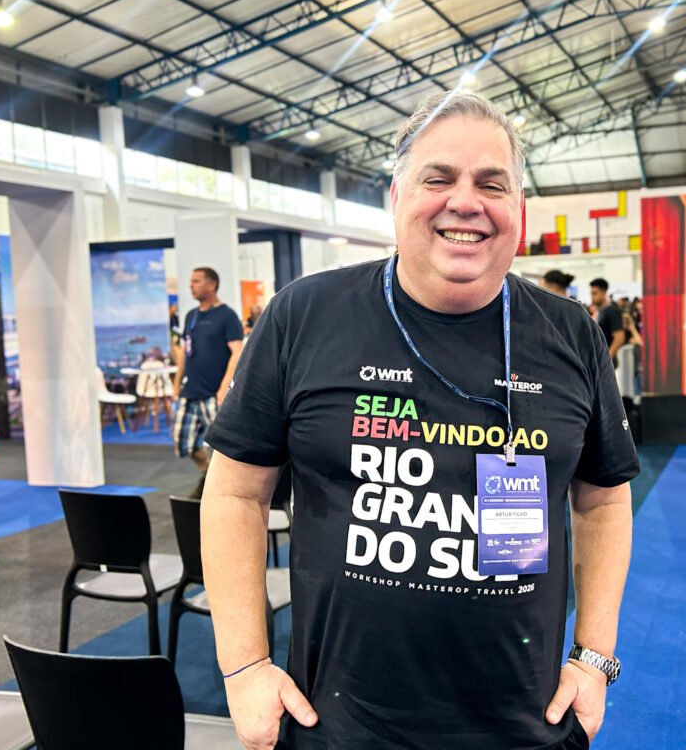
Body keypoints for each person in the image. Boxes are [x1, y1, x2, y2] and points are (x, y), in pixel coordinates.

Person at [200, 92, 638, 750]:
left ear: (518, 207)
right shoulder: (305, 316)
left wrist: (595, 657)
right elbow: (236, 492)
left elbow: (603, 500)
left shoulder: (570, 333)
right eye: (439, 178)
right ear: (398, 194)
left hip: (526, 726)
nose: (466, 201)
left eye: (492, 184)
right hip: (338, 726)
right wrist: (244, 667)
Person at [172, 267, 244, 496]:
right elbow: (185, 352)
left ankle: (225, 489)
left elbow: (237, 352)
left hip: (214, 393)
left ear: (212, 285)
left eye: (196, 281)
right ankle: (207, 474)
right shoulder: (191, 316)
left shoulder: (227, 315)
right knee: (184, 443)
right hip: (190, 391)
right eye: (191, 281)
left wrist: (224, 388)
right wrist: (176, 383)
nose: (190, 285)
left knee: (223, 447)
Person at [590, 278, 626, 366]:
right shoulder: (600, 311)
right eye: (591, 293)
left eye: (595, 293)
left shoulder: (612, 311)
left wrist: (608, 358)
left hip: (606, 363)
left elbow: (619, 337)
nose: (592, 297)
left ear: (603, 292)